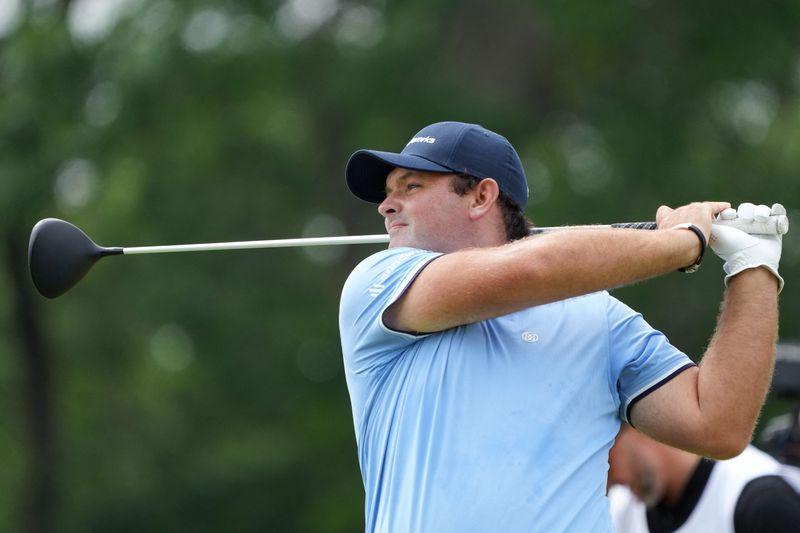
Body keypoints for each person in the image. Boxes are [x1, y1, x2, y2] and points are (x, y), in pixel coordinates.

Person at [338, 121, 784, 532]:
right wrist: (681, 242)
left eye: (411, 186)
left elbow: (717, 426)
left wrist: (754, 268)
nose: (386, 205)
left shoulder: (600, 317)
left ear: (481, 196)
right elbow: (527, 272)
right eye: (389, 191)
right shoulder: (380, 283)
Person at [608, 423, 800, 532]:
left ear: (636, 425)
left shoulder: (760, 499)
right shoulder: (622, 506)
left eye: (606, 459)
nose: (608, 480)